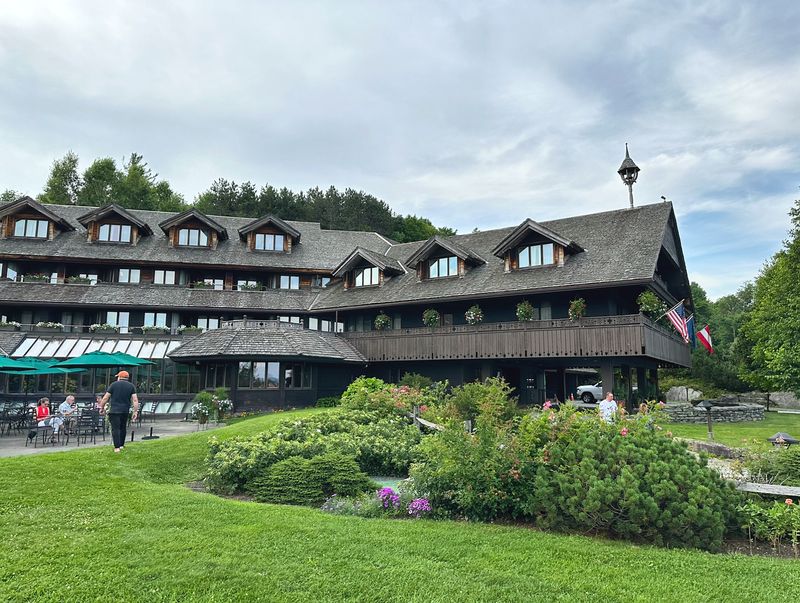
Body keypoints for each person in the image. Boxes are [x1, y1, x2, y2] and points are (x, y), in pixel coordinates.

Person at [101, 370, 139, 453]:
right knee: (123, 428)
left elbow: (105, 398)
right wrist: (135, 412)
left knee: (116, 429)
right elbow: (135, 400)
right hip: (125, 410)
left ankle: (116, 447)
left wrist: (101, 407)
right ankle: (121, 445)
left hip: (114, 410)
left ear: (119, 377)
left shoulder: (113, 385)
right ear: (127, 378)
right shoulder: (131, 386)